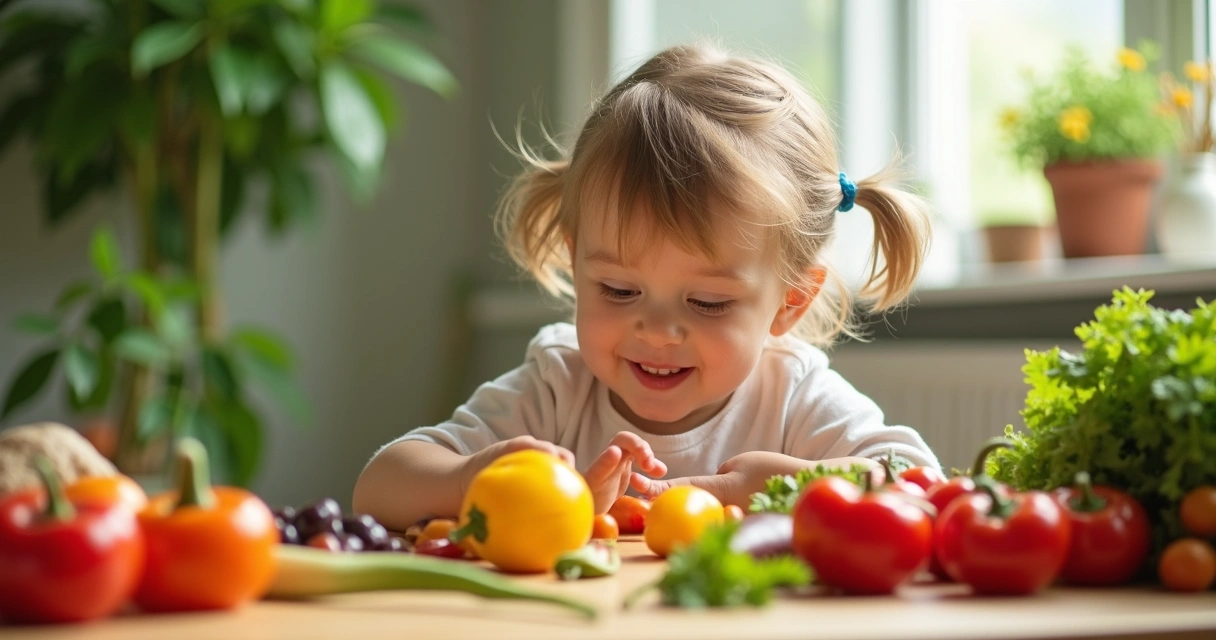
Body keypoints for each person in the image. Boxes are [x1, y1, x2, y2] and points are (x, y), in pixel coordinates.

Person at [353, 43, 939, 532]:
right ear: (574, 260)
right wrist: (470, 478)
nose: (657, 331)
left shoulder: (793, 397)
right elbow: (380, 486)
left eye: (707, 302)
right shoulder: (559, 386)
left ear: (790, 301)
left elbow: (924, 484)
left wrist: (794, 487)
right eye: (617, 289)